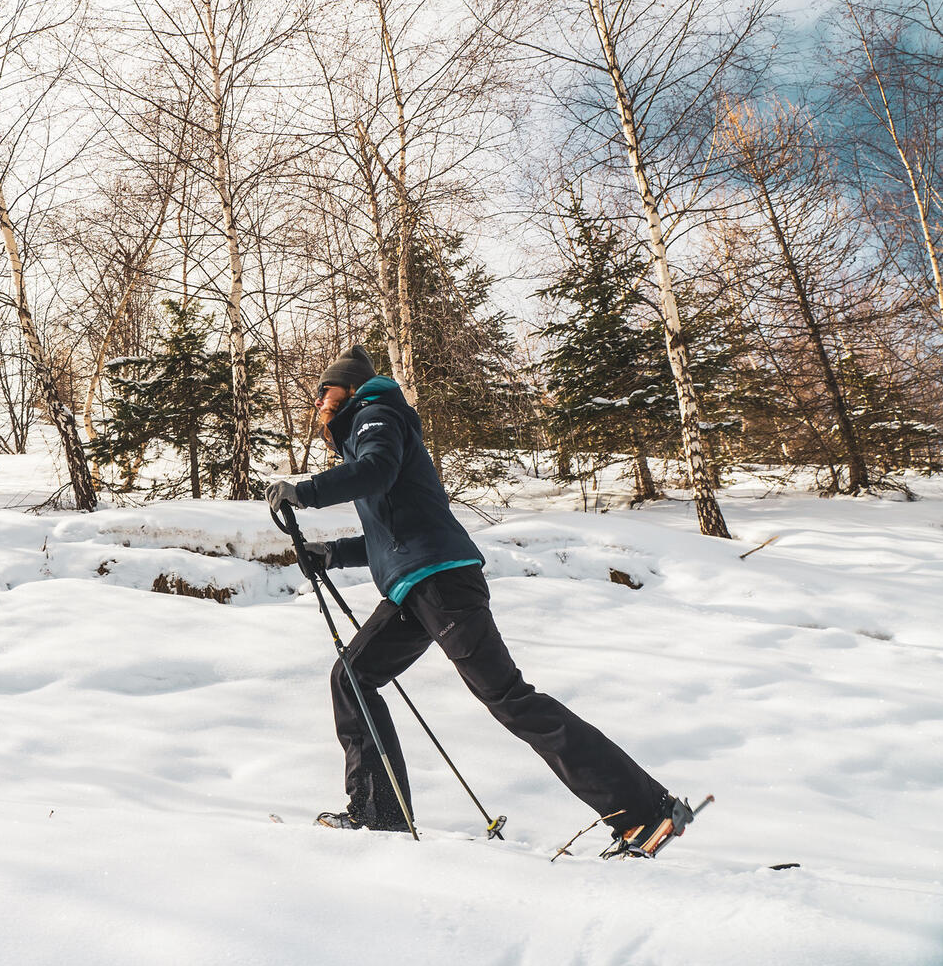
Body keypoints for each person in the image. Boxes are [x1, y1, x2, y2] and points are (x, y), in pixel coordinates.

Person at [266, 344, 693, 853]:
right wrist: (332, 554)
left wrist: (306, 491)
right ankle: (379, 815)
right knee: (353, 678)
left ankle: (645, 810)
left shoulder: (375, 415)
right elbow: (395, 532)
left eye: (323, 392)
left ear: (348, 388)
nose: (318, 404)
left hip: (441, 585)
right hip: (416, 587)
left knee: (509, 699)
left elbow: (378, 471)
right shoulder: (366, 435)